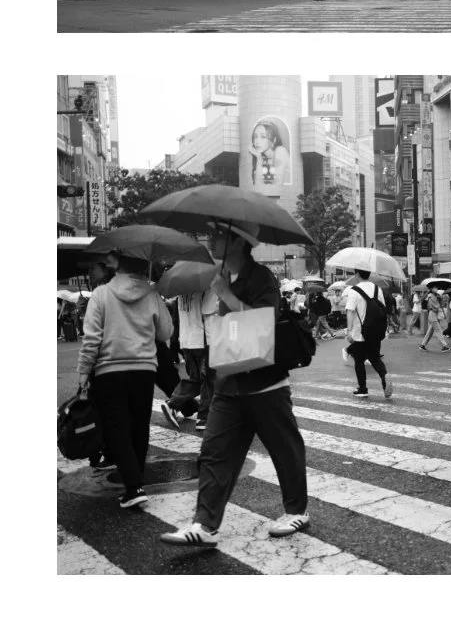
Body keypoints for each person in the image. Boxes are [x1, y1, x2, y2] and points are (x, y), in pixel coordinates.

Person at [160, 227, 309, 547]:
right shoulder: (222, 276)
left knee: (285, 450)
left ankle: (297, 510)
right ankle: (204, 524)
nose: (212, 240)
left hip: (265, 383)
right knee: (214, 453)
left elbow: (263, 324)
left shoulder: (261, 278)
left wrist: (225, 294)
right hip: (228, 382)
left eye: (219, 235)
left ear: (239, 240)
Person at [76, 251, 174, 510]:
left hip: (109, 370)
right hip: (144, 369)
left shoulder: (101, 294)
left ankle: (134, 486)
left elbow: (92, 338)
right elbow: (166, 332)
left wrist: (84, 370)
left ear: (119, 265)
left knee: (116, 428)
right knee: (139, 426)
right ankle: (136, 480)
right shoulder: (151, 294)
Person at [160, 290, 211, 432]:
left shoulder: (182, 292)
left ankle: (173, 404)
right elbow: (209, 311)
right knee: (208, 379)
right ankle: (204, 417)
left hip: (187, 340)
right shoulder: (206, 288)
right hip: (202, 339)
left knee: (196, 379)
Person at [343, 270, 393, 399]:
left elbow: (350, 311)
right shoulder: (377, 289)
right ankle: (384, 377)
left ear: (357, 275)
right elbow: (383, 308)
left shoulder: (354, 290)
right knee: (375, 358)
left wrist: (349, 331)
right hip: (375, 331)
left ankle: (363, 389)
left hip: (359, 332)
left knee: (359, 361)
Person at [250, 120, 291, 187]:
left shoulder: (280, 151)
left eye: (263, 136)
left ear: (274, 139)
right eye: (255, 136)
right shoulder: (262, 158)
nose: (257, 141)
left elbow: (277, 185)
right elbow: (258, 187)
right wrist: (259, 158)